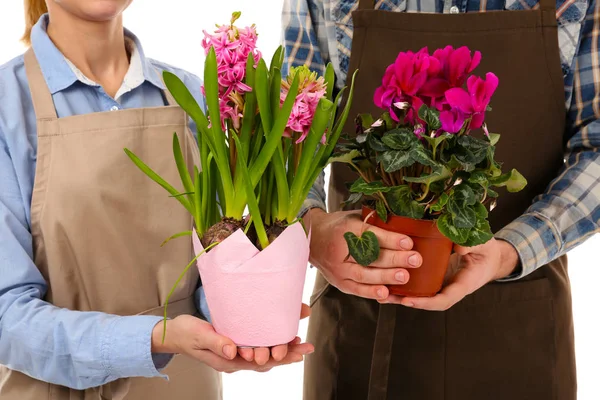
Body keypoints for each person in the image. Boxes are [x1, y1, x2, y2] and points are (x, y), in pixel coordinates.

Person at [283, 0, 599, 399]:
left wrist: (511, 250)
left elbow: (598, 145)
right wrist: (312, 227)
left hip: (523, 325)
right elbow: (292, 123)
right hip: (360, 322)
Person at [0, 1, 314, 399]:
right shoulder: (7, 107)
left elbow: (216, 258)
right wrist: (155, 337)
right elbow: (6, 314)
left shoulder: (193, 99)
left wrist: (246, 314)